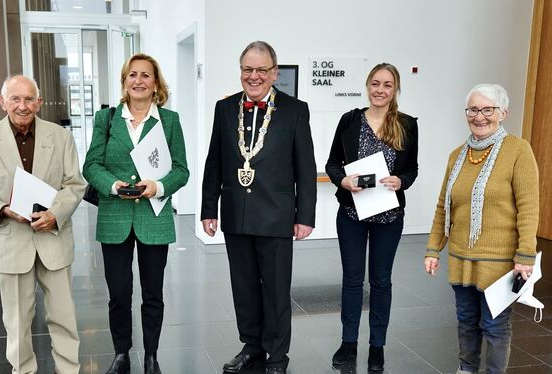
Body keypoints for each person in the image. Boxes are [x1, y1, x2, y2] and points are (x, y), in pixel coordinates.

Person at [201, 41, 317, 374]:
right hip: (236, 214)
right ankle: (252, 347)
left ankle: (277, 357)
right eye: (247, 69)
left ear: (274, 73)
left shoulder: (295, 110)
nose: (254, 76)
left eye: (261, 70)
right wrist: (210, 209)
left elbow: (305, 167)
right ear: (241, 71)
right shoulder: (224, 109)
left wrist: (305, 216)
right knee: (244, 287)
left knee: (277, 290)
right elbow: (214, 162)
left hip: (278, 216)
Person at [0, 75, 85, 373]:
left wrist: (55, 213)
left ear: (39, 102)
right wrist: (2, 209)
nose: (22, 105)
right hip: (11, 244)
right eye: (15, 98)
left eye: (29, 99)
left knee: (64, 319)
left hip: (53, 238)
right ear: (2, 102)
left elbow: (75, 185)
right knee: (17, 324)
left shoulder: (60, 136)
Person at [83, 53, 189, 374]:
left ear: (155, 83)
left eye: (145, 75)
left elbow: (181, 171)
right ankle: (121, 354)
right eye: (133, 75)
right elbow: (91, 165)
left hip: (153, 218)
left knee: (153, 293)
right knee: (119, 293)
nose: (139, 81)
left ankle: (152, 355)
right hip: (114, 216)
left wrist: (157, 186)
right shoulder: (107, 119)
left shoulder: (169, 120)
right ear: (124, 81)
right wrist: (113, 185)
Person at [424, 84, 539, 374]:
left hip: (499, 262)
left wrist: (525, 255)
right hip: (461, 257)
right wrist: (433, 248)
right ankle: (466, 370)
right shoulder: (457, 155)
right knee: (465, 320)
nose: (479, 116)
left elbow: (529, 207)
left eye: (488, 109)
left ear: (503, 113)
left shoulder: (518, 150)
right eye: (473, 109)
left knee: (495, 325)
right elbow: (443, 206)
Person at [325, 63, 419, 371]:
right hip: (352, 212)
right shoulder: (350, 120)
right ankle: (348, 342)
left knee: (381, 282)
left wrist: (400, 181)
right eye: (375, 83)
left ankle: (376, 345)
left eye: (387, 85)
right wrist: (343, 180)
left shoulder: (406, 124)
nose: (380, 90)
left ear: (395, 90)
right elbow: (332, 163)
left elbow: (412, 168)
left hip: (389, 217)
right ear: (368, 85)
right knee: (352, 281)